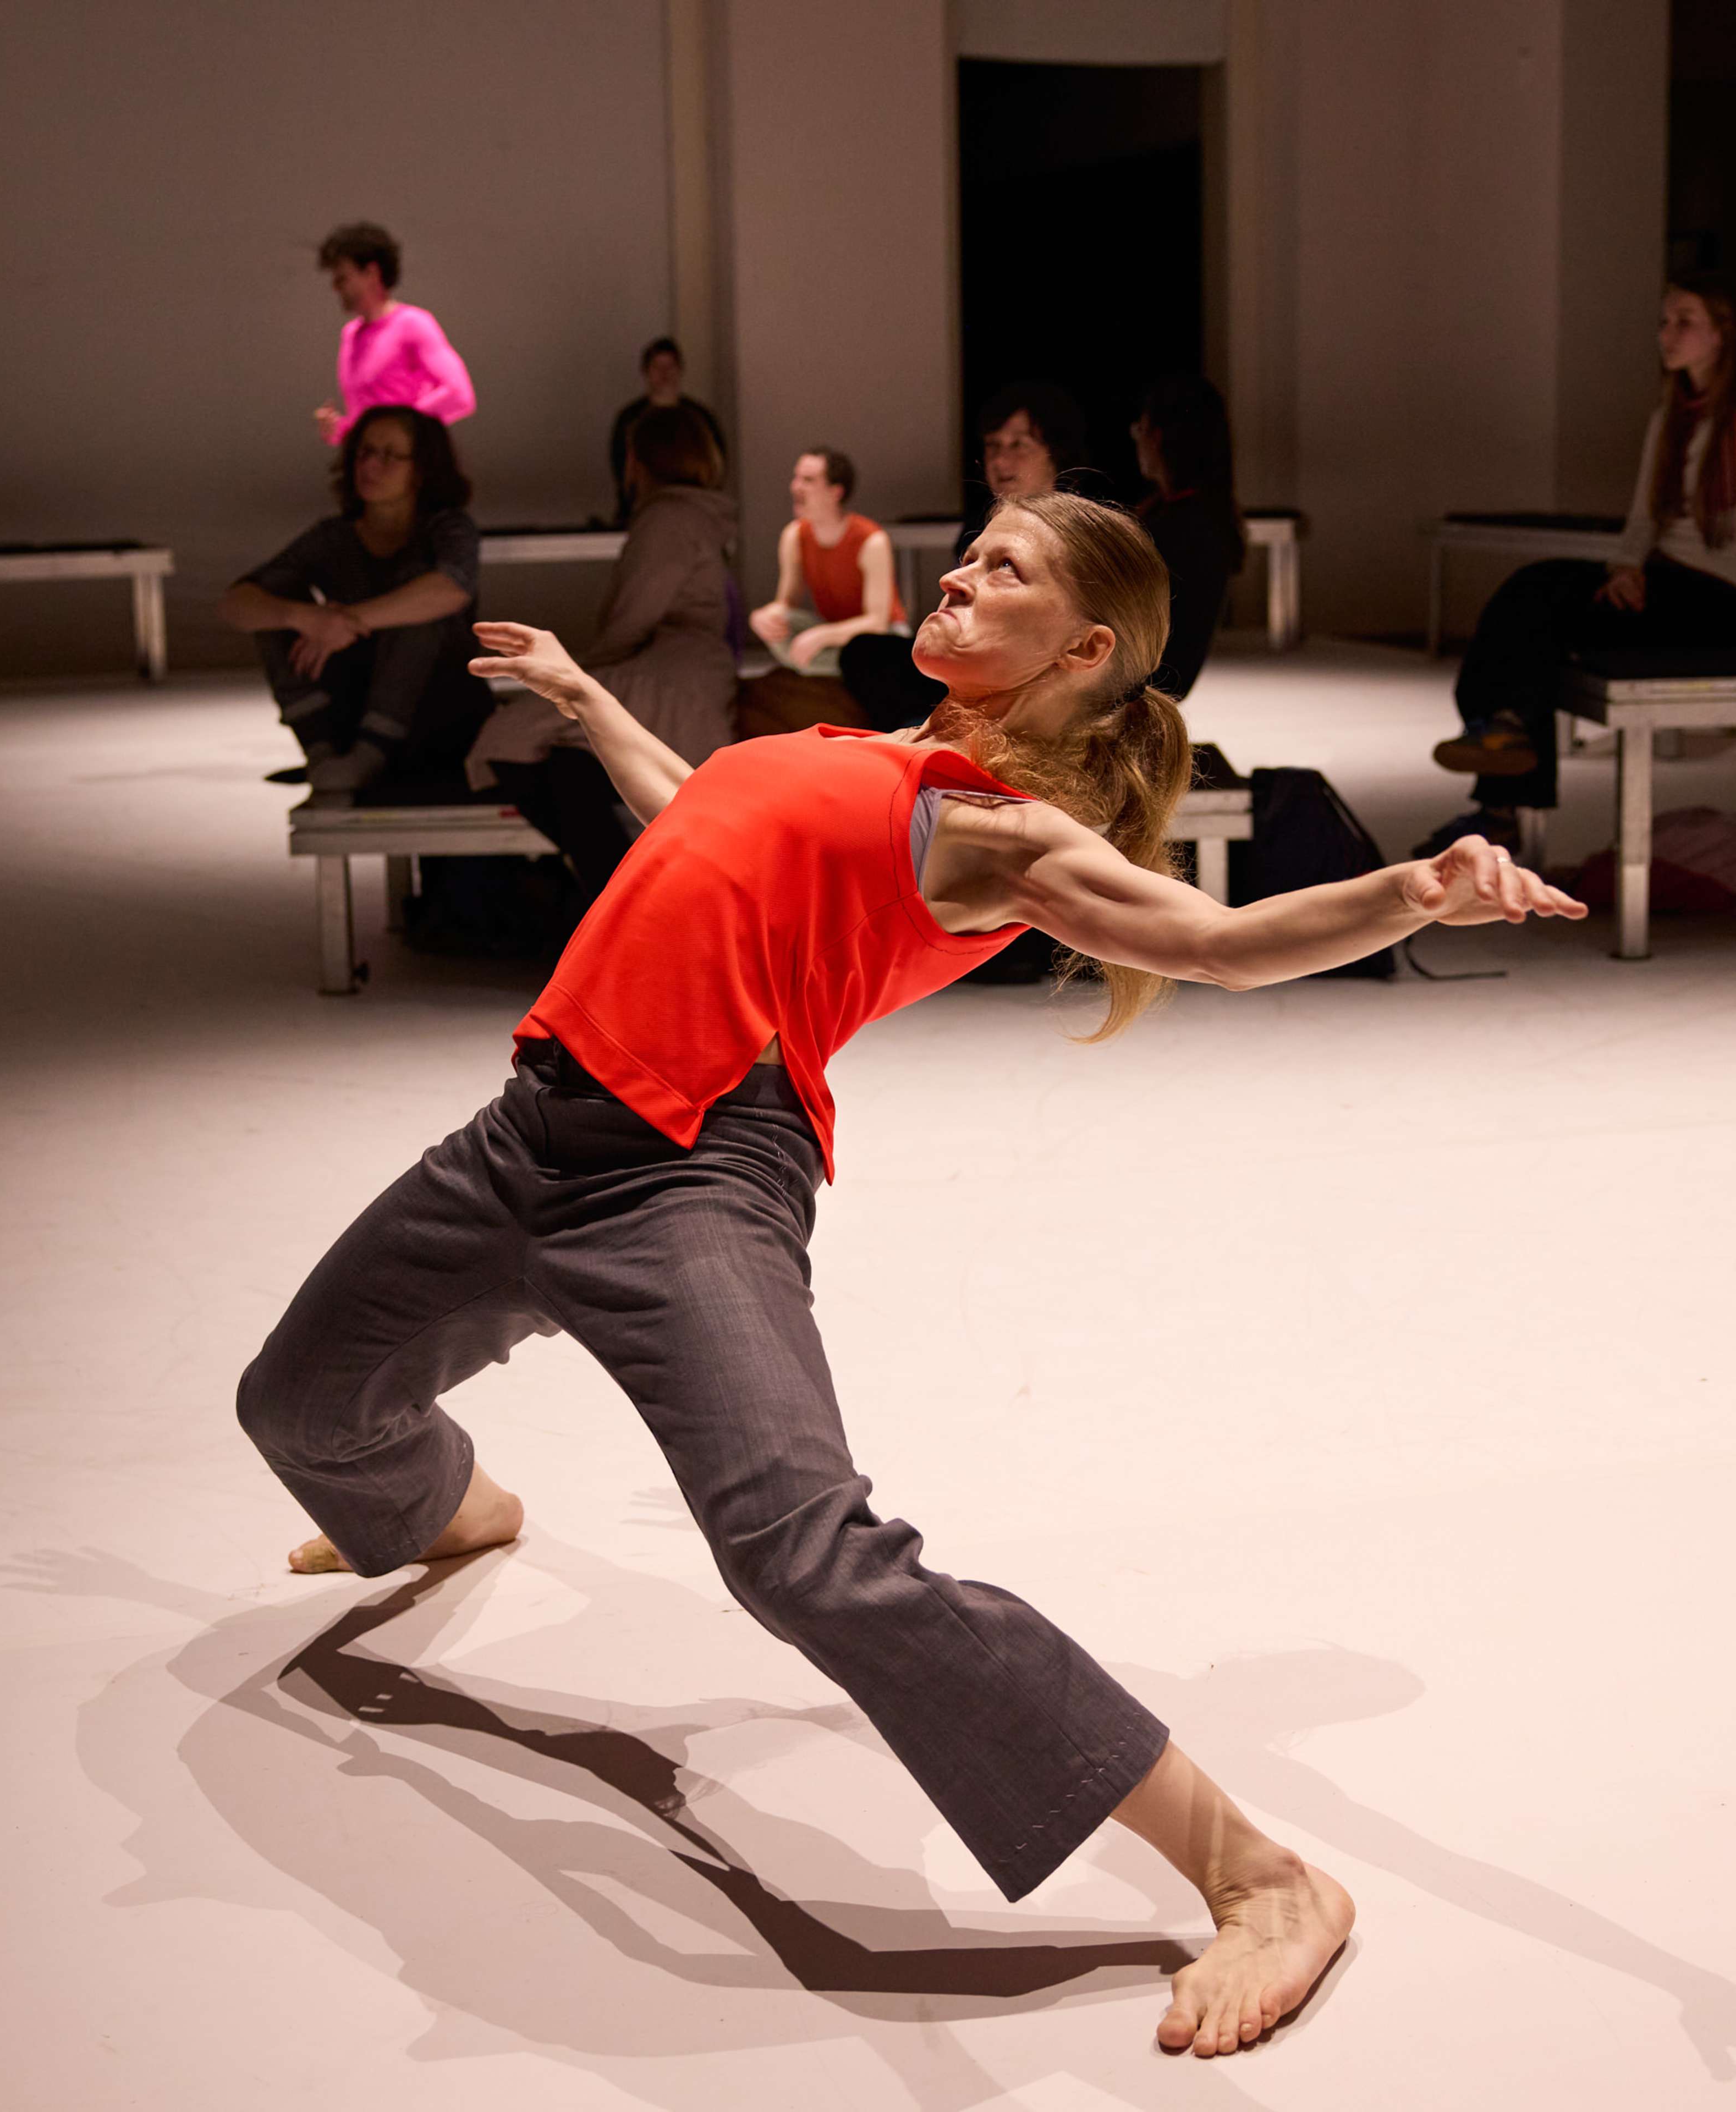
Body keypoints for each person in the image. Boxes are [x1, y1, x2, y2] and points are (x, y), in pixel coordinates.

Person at [234, 488, 1584, 2060]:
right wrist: (588, 700)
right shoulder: (850, 753)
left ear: (1080, 650)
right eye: (975, 548)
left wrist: (1410, 891)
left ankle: (1264, 1879)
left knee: (806, 1559)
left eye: (1005, 569)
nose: (960, 573)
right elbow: (695, 823)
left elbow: (1213, 942)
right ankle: (450, 1508)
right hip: (528, 1134)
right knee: (297, 1407)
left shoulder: (994, 832)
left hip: (688, 1176)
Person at [1420, 270, 1736, 855]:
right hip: (1664, 579)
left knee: (1543, 612)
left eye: (1685, 322)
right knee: (1530, 589)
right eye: (1664, 322)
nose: (1667, 334)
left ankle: (1501, 796)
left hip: (1717, 598)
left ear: (1724, 332)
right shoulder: (1670, 413)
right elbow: (1644, 517)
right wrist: (1625, 568)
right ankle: (1501, 739)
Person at [465, 400, 737, 897]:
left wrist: (573, 676)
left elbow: (632, 619)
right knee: (568, 766)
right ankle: (620, 899)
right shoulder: (697, 516)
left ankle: (622, 899)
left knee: (509, 738)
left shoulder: (669, 518)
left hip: (664, 674)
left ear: (636, 460)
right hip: (679, 674)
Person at [221, 406, 490, 799]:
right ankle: (321, 751)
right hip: (351, 710)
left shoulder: (448, 528)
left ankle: (373, 751)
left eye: (390, 456)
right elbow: (236, 603)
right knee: (273, 601)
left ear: (422, 468)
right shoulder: (335, 537)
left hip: (435, 710)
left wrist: (348, 620)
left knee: (419, 594)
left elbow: (450, 590)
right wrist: (305, 618)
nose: (370, 466)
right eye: (365, 452)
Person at [839, 382, 1092, 733]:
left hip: (1033, 664)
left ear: (1056, 452)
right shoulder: (980, 523)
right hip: (971, 655)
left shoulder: (1081, 531)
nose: (1000, 461)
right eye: (993, 446)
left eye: (1019, 445)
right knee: (865, 653)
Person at [1131, 373, 1246, 700]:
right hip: (1159, 685)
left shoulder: (1175, 527)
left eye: (1140, 429)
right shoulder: (1207, 514)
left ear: (1156, 437)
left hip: (1141, 686)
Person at [312, 222, 476, 449]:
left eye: (343, 279)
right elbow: (365, 420)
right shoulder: (351, 335)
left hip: (408, 460)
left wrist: (397, 428)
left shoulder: (412, 324)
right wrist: (339, 430)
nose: (336, 288)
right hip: (372, 462)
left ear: (371, 273)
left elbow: (459, 395)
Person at [748, 447, 903, 679]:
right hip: (834, 631)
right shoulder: (794, 535)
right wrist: (760, 618)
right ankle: (835, 669)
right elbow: (786, 604)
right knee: (779, 622)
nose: (796, 487)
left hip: (882, 638)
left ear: (836, 492)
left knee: (869, 651)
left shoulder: (871, 541)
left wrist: (821, 636)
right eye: (796, 478)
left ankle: (831, 669)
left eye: (809, 480)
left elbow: (877, 623)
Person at [607, 337, 726, 526]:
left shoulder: (700, 418)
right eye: (658, 367)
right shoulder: (630, 419)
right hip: (643, 510)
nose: (665, 374)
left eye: (670, 367)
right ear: (646, 372)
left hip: (692, 511)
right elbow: (621, 467)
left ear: (680, 370)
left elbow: (717, 465)